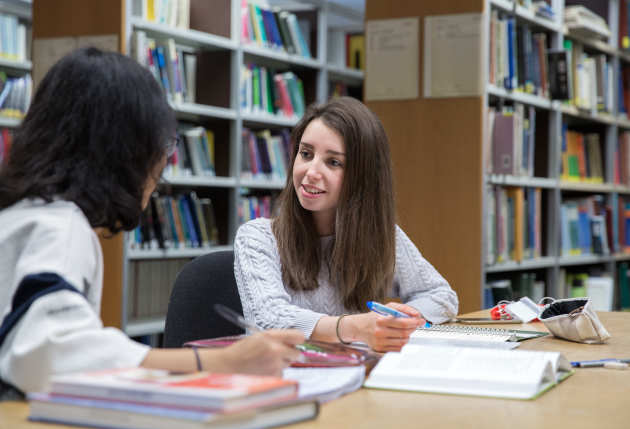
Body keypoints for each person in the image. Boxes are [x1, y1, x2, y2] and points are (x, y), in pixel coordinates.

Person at [0, 48, 303, 395]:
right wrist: (219, 363)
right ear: (127, 152)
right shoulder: (61, 230)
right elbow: (47, 353)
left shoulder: (18, 216)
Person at [234, 97, 458, 352]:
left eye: (333, 162)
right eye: (306, 154)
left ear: (362, 177)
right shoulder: (258, 237)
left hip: (355, 376)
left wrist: (403, 319)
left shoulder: (381, 237)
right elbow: (269, 321)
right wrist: (356, 327)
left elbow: (442, 296)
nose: (311, 172)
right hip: (285, 380)